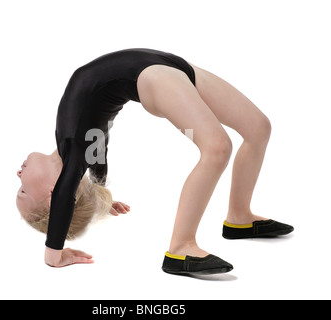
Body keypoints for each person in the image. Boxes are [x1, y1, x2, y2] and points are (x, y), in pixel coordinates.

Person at [16, 48, 293, 275]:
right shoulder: (73, 152)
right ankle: (181, 247)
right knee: (217, 147)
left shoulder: (79, 151)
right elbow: (67, 193)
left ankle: (239, 218)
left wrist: (99, 198)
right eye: (23, 190)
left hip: (170, 66)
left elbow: (98, 169)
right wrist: (53, 253)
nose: (18, 175)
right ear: (53, 197)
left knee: (258, 128)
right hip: (154, 79)